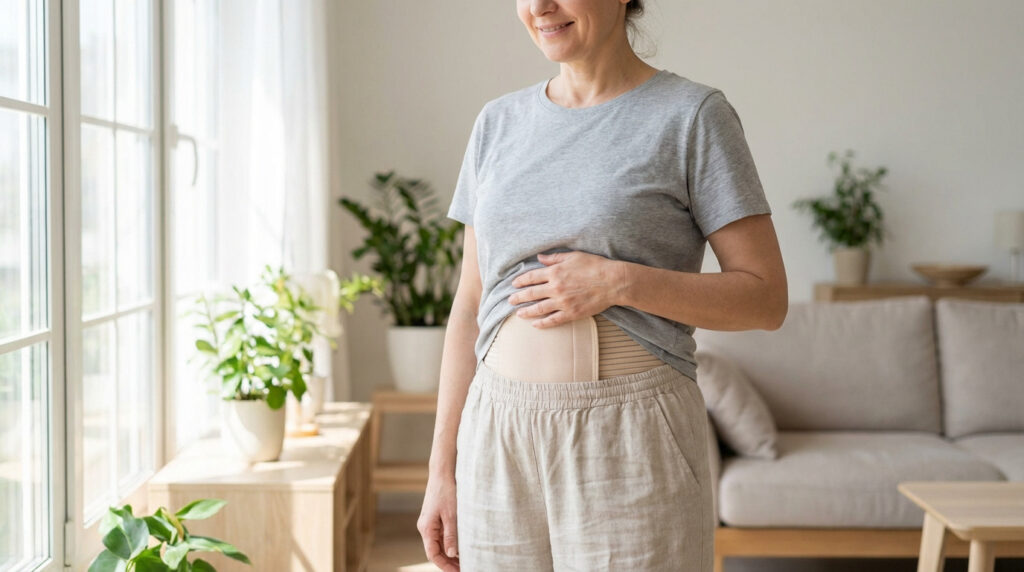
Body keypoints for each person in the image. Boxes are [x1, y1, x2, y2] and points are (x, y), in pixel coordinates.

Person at [418, 0, 788, 570]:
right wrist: (442, 469)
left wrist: (619, 282)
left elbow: (765, 299)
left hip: (630, 431)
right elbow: (469, 305)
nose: (539, 7)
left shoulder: (692, 115)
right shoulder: (497, 122)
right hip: (495, 431)